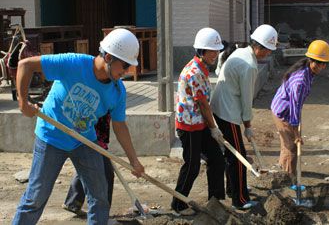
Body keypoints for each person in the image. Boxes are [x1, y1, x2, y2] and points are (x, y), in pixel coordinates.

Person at [12, 28, 145, 225]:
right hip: (51, 135)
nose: (126, 72)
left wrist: (134, 160)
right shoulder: (73, 63)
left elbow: (120, 126)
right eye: (124, 66)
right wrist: (23, 102)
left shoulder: (118, 91)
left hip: (84, 140)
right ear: (108, 57)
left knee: (100, 197)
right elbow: (26, 65)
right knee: (36, 197)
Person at [211, 24, 278, 210]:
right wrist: (248, 125)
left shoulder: (241, 52)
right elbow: (247, 100)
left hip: (220, 107)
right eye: (268, 50)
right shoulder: (248, 65)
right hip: (228, 112)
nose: (268, 54)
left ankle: (232, 189)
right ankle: (240, 200)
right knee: (239, 157)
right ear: (261, 47)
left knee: (231, 154)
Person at [170, 28, 226, 216]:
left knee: (217, 159)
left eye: (217, 51)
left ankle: (216, 201)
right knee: (192, 165)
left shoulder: (202, 69)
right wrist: (214, 128)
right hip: (190, 126)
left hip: (199, 123)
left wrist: (210, 127)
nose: (216, 55)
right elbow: (202, 103)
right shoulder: (194, 72)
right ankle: (178, 204)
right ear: (201, 51)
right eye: (212, 51)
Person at [270, 40, 329, 181]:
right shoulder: (301, 81)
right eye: (318, 63)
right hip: (283, 111)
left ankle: (282, 170)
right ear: (310, 60)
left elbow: (296, 105)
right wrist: (296, 133)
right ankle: (290, 179)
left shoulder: (307, 71)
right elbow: (294, 106)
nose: (321, 67)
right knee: (291, 147)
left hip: (284, 107)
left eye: (323, 64)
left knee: (286, 144)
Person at [62, 113, 113, 217]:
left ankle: (73, 202)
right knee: (107, 174)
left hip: (96, 140)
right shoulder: (98, 102)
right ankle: (102, 212)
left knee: (85, 170)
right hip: (92, 140)